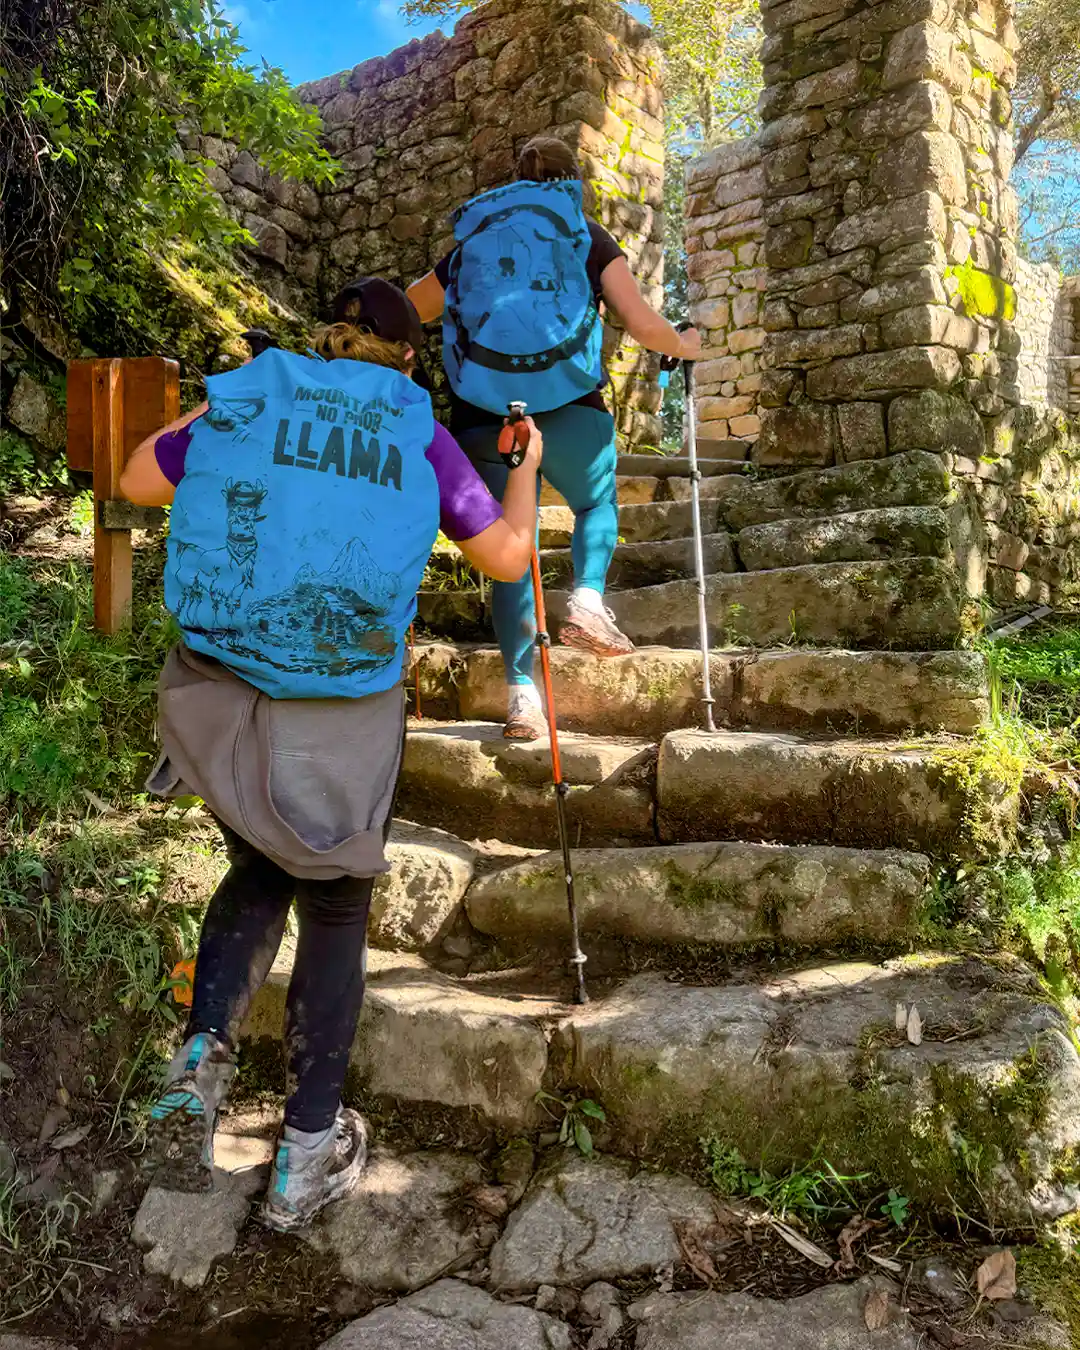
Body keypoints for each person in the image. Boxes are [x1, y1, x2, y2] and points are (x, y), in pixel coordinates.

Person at [119, 277, 542, 1231]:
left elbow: (138, 475)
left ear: (321, 337)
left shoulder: (255, 392)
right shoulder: (418, 433)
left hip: (221, 687)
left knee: (258, 868)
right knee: (339, 898)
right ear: (403, 357)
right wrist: (525, 467)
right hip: (342, 704)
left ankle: (194, 1081)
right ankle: (306, 1153)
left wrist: (218, 401)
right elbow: (509, 557)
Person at [408, 135, 701, 741]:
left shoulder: (474, 243)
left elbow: (411, 308)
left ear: (516, 179)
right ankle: (588, 598)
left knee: (512, 549)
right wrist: (688, 344)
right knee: (594, 502)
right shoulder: (586, 235)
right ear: (574, 182)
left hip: (484, 415)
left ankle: (521, 698)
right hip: (570, 407)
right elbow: (642, 323)